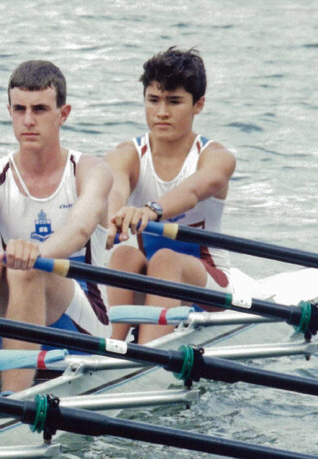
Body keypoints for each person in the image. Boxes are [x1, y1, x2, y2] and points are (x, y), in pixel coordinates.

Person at [0, 60, 112, 394]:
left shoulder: (89, 170)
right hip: (18, 310)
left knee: (25, 269)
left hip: (85, 322)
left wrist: (32, 254)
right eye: (19, 109)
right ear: (9, 111)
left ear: (64, 113)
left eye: (41, 109)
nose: (28, 120)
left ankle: (14, 401)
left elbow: (78, 229)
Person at [105, 47, 236, 344]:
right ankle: (111, 350)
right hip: (151, 283)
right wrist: (113, 217)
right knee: (124, 254)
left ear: (198, 105)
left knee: (165, 258)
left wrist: (151, 210)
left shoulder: (216, 157)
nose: (161, 112)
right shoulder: (126, 154)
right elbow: (114, 188)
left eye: (174, 102)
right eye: (153, 100)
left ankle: (148, 356)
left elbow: (191, 191)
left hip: (209, 285)